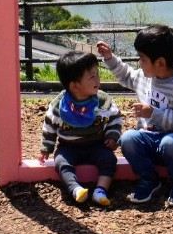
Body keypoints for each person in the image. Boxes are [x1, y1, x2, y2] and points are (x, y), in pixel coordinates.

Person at [97, 25, 173, 208]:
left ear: (160, 63)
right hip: (147, 138)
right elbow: (126, 75)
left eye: (142, 58)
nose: (139, 62)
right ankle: (149, 179)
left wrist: (153, 113)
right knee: (127, 138)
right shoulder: (144, 76)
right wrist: (109, 58)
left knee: (170, 143)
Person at [40, 50, 123, 207]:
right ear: (74, 85)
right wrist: (47, 147)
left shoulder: (102, 101)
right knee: (61, 162)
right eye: (92, 77)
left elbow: (115, 118)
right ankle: (76, 189)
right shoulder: (59, 105)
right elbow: (49, 125)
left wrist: (112, 136)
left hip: (97, 145)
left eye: (97, 74)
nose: (98, 79)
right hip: (68, 146)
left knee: (109, 160)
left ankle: (100, 191)